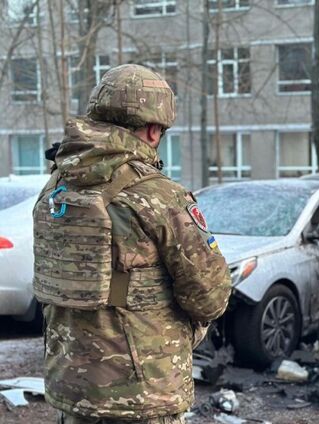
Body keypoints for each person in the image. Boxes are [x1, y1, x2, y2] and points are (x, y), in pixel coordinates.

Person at [32, 64, 232, 424]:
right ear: (154, 131)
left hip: (71, 391)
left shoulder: (57, 185)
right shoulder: (159, 196)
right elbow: (211, 295)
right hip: (141, 398)